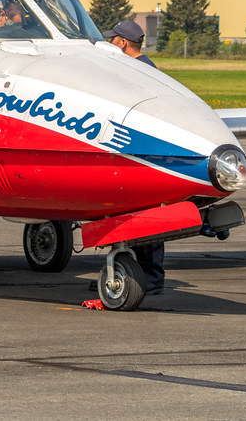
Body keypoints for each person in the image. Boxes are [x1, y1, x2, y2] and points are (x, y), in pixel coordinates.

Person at [104, 19, 164, 293]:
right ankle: (137, 276)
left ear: (122, 43)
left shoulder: (138, 71)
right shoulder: (144, 67)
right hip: (137, 154)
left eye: (112, 39)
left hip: (141, 157)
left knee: (144, 219)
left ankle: (149, 279)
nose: (109, 43)